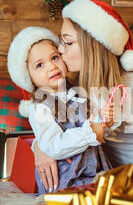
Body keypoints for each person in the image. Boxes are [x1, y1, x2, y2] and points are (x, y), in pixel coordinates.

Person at [33, 0, 133, 197]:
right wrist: (38, 147)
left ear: (93, 46)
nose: (60, 50)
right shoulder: (71, 89)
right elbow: (48, 121)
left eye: (68, 42)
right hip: (130, 167)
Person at [7, 26, 112, 194]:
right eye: (40, 65)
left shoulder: (78, 95)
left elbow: (96, 128)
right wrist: (89, 133)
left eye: (54, 57)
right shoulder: (40, 108)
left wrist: (105, 120)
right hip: (67, 179)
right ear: (29, 78)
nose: (51, 67)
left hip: (94, 172)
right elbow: (53, 145)